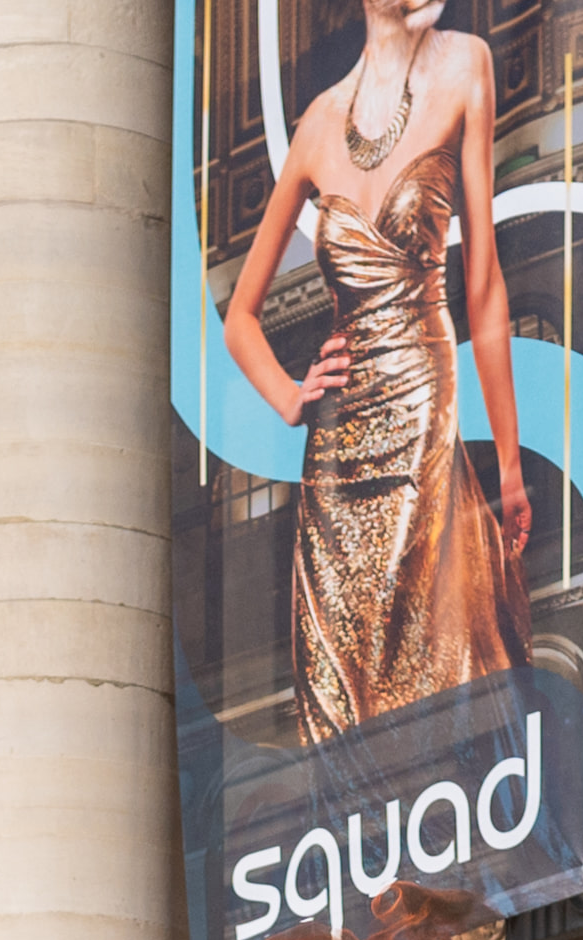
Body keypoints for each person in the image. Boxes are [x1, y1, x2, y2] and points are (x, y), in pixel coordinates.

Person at [211, 0, 528, 744]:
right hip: (334, 458)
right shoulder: (319, 124)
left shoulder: (466, 65)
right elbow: (239, 318)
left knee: (431, 659)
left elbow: (483, 285)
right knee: (344, 686)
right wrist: (292, 397)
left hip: (423, 408)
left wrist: (510, 467)